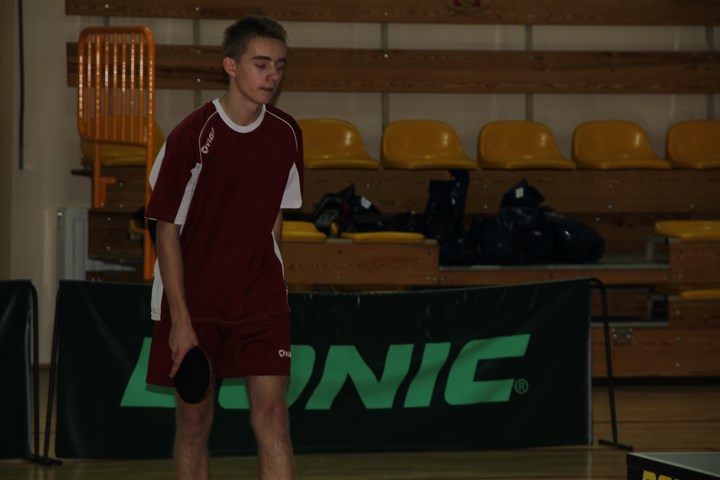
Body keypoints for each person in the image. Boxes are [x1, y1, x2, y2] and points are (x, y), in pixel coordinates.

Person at [144, 15, 303, 480]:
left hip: (260, 298)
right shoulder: (192, 134)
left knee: (274, 419)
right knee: (194, 425)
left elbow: (275, 215)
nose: (272, 75)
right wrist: (181, 321)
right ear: (230, 66)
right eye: (261, 64)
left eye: (279, 65)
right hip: (195, 299)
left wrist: (274, 284)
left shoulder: (287, 133)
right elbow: (165, 228)